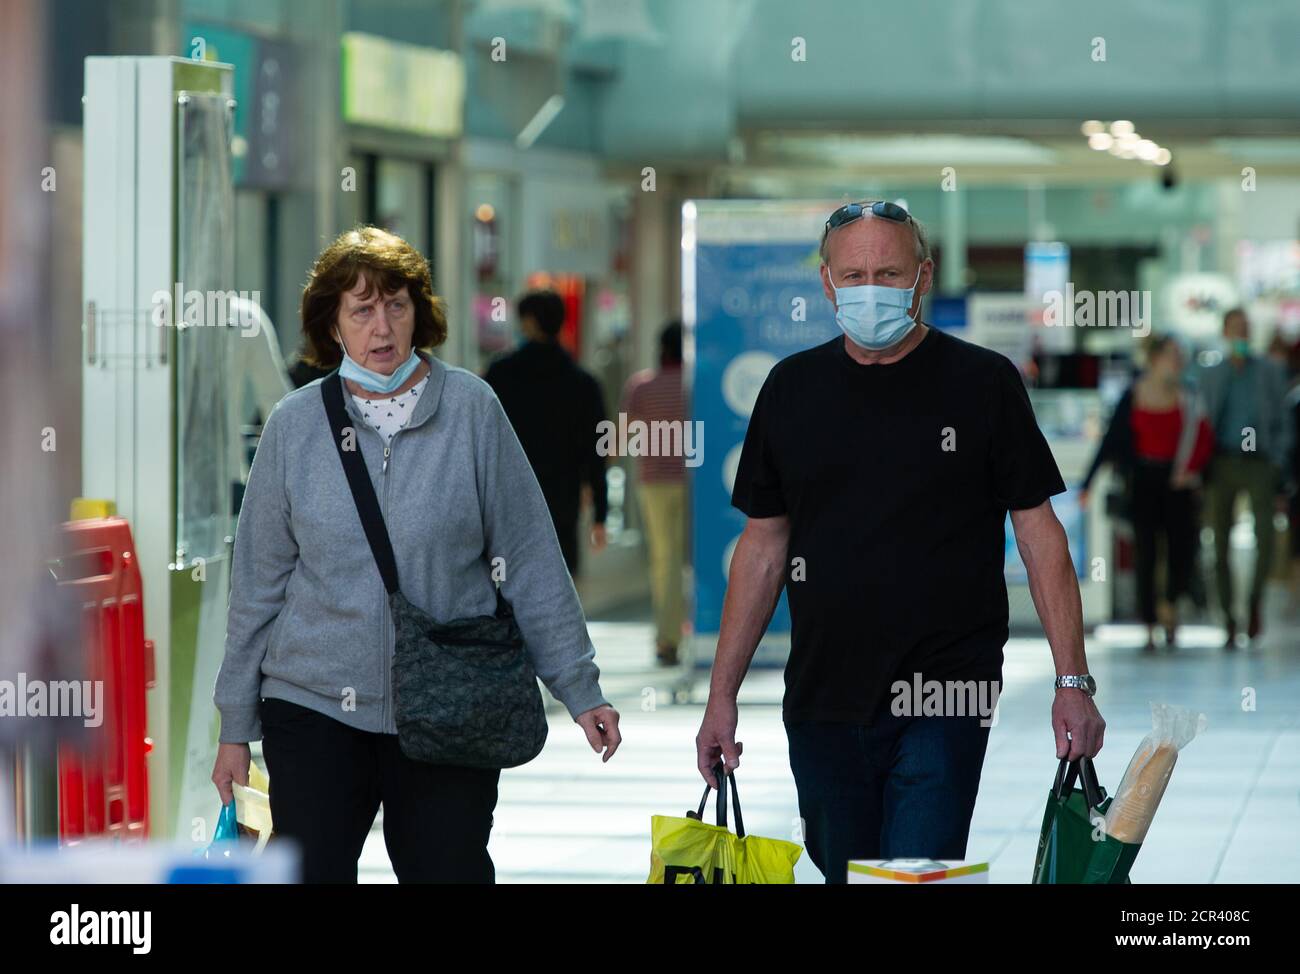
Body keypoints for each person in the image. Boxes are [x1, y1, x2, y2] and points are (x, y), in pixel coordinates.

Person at [694, 199, 1105, 883]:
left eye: (889, 272)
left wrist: (1073, 681)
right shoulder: (792, 390)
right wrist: (721, 695)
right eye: (852, 276)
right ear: (826, 284)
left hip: (947, 692)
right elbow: (763, 550)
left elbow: (1039, 534)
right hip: (824, 697)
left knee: (913, 872)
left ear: (923, 275)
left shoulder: (983, 384)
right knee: (846, 871)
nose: (870, 290)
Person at [211, 227, 621, 884]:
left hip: (448, 699)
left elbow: (530, 555)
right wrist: (234, 725)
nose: (383, 327)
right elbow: (258, 585)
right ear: (332, 324)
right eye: (362, 310)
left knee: (448, 871)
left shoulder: (471, 410)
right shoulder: (294, 426)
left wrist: (580, 687)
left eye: (397, 305)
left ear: (419, 311)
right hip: (313, 702)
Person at [1079, 335, 1213, 651]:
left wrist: (1192, 473)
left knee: (1182, 547)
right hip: (1143, 480)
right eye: (1171, 355)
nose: (1177, 361)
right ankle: (1151, 620)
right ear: (1154, 359)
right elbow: (1111, 441)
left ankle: (1170, 603)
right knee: (1147, 550)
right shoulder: (1133, 394)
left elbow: (1205, 438)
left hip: (1178, 481)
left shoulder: (1189, 395)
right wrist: (1088, 483)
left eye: (1180, 356)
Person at [484, 290, 609, 577]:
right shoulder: (583, 383)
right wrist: (600, 515)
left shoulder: (500, 375)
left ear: (529, 322)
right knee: (560, 585)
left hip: (507, 498)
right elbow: (596, 451)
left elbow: (481, 438)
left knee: (508, 587)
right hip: (562, 499)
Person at [1198, 308, 1295, 646]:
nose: (1240, 335)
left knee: (1265, 538)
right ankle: (1227, 616)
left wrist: (1277, 462)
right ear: (1226, 333)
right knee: (1219, 540)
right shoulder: (1212, 373)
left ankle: (1253, 605)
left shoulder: (1269, 372)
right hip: (1223, 461)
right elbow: (1203, 416)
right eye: (1234, 329)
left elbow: (1283, 420)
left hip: (1259, 463)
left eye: (1245, 329)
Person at [623, 321, 687, 665]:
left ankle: (667, 639)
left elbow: (620, 435)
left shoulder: (641, 386)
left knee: (664, 561)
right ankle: (705, 632)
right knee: (696, 559)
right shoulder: (695, 384)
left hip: (653, 483)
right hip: (693, 482)